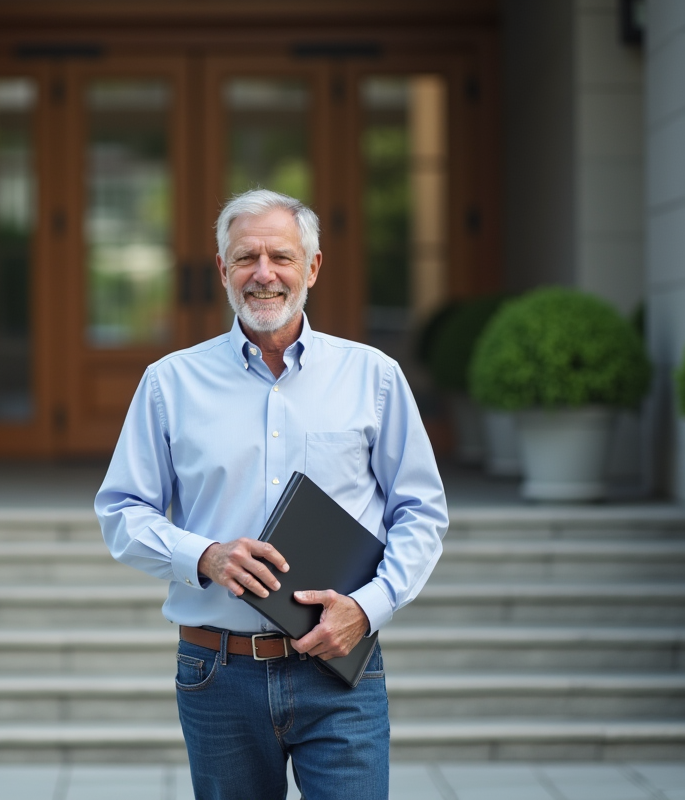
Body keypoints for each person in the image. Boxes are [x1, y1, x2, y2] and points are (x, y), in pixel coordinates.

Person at [95, 189, 448, 800]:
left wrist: (369, 607)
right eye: (245, 258)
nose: (264, 274)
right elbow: (121, 511)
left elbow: (420, 511)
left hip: (339, 671)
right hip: (217, 673)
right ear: (222, 271)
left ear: (311, 268)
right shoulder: (169, 383)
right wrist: (203, 556)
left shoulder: (374, 377)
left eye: (281, 257)